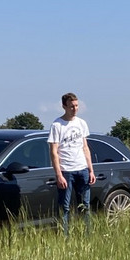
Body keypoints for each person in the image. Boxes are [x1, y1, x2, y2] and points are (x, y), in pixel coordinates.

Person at [48, 92, 95, 235]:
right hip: (66, 171)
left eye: (76, 106)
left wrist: (91, 170)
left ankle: (86, 234)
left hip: (82, 169)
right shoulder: (57, 125)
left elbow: (85, 147)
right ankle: (65, 235)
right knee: (65, 207)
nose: (74, 109)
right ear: (64, 106)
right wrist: (59, 175)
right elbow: (54, 152)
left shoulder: (81, 123)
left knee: (85, 205)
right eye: (71, 106)